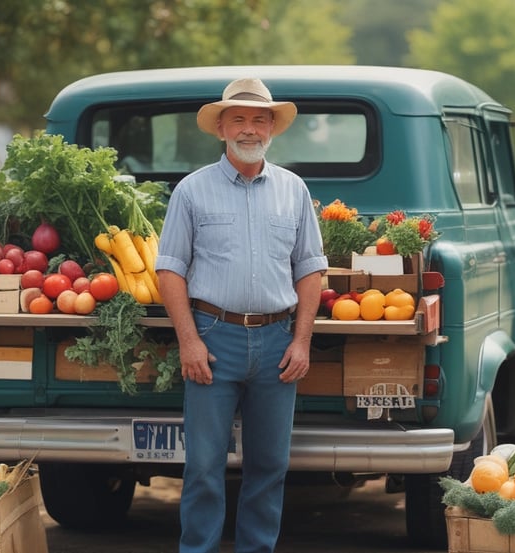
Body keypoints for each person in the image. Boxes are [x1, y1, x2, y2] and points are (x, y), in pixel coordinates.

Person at [155, 78, 328, 553]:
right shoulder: (192, 191)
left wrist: (301, 340)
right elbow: (170, 271)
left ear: (272, 127)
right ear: (220, 128)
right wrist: (189, 342)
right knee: (205, 467)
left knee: (270, 465)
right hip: (213, 339)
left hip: (277, 341)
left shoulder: (294, 190)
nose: (249, 129)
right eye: (239, 119)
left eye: (258, 119)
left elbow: (310, 269)